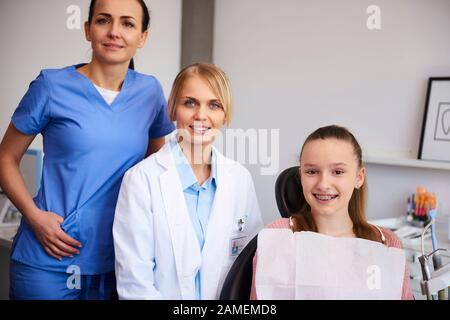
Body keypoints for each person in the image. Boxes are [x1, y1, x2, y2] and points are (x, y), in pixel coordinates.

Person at [0, 0, 174, 300]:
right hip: (49, 260)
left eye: (128, 23)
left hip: (117, 263)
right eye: (104, 20)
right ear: (87, 29)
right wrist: (34, 216)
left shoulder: (150, 93)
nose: (114, 32)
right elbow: (5, 158)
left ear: (142, 37)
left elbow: (156, 168)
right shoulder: (51, 86)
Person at [113, 63, 264, 299]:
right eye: (190, 103)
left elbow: (250, 266)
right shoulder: (141, 180)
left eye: (214, 105)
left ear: (225, 115)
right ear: (172, 110)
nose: (201, 115)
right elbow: (134, 282)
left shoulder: (239, 179)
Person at [250, 125, 413, 300]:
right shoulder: (278, 235)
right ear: (301, 176)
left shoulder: (387, 244)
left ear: (359, 177)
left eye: (337, 172)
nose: (323, 184)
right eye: (312, 171)